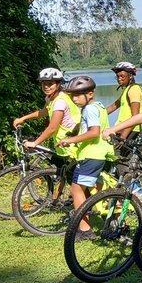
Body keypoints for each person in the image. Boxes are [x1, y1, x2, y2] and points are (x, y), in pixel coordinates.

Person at [56, 76, 116, 241]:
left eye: (78, 95)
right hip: (102, 153)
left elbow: (94, 132)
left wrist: (69, 140)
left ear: (90, 94)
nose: (74, 99)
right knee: (98, 189)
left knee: (77, 190)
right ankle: (113, 221)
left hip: (91, 155)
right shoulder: (99, 106)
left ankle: (85, 230)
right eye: (72, 95)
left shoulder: (89, 109)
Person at [13, 68, 81, 158]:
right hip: (64, 144)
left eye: (50, 84)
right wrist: (23, 119)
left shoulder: (60, 101)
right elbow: (43, 112)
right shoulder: (51, 98)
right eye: (44, 83)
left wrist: (35, 143)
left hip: (72, 145)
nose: (46, 86)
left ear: (58, 84)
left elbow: (52, 128)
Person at [104, 62, 142, 141]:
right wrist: (97, 114)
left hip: (129, 129)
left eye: (122, 76)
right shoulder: (127, 89)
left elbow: (135, 116)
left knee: (117, 153)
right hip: (123, 128)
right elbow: (113, 106)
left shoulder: (134, 90)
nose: (119, 79)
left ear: (130, 76)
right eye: (117, 76)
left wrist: (123, 137)